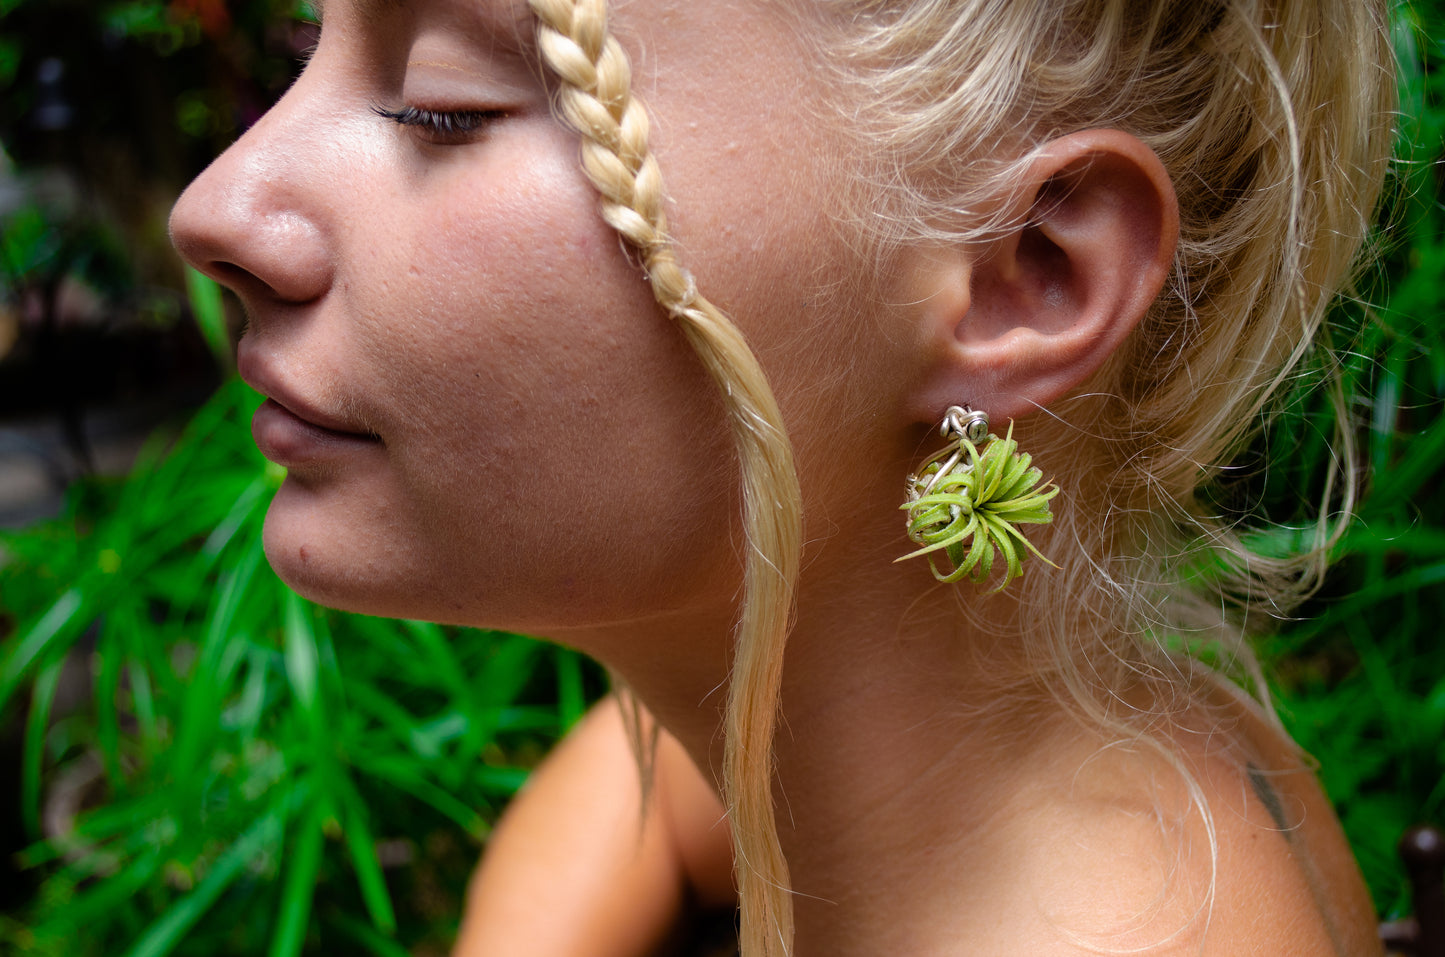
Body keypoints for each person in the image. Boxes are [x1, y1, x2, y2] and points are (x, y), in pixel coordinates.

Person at [168, 0, 1397, 953]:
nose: (215, 205)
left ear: (1024, 270)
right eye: (301, 46)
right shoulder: (1004, 755)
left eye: (444, 105)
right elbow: (638, 781)